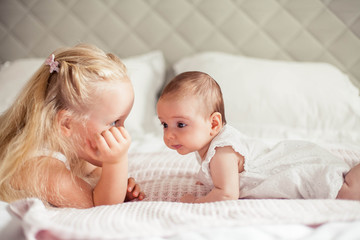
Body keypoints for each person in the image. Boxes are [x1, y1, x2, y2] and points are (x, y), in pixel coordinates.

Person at [156, 71, 360, 203]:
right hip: (292, 156)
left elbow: (227, 194)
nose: (169, 134)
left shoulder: (221, 153)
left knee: (345, 191)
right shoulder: (208, 146)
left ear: (214, 124)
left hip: (296, 170)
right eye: (164, 124)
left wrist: (195, 202)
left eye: (180, 124)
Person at [0, 44, 145, 208]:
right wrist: (116, 163)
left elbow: (92, 171)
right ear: (66, 123)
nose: (122, 131)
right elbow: (99, 206)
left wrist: (116, 181)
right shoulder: (43, 169)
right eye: (114, 122)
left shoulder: (68, 141)